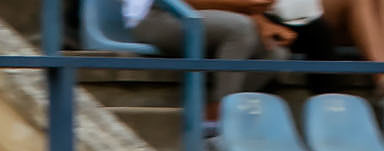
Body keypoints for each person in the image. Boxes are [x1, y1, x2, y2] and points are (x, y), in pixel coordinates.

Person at [122, 0, 291, 107]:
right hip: (155, 17)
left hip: (203, 18)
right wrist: (244, 6)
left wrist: (262, 22)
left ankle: (217, 111)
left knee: (275, 53)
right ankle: (220, 114)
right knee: (240, 28)